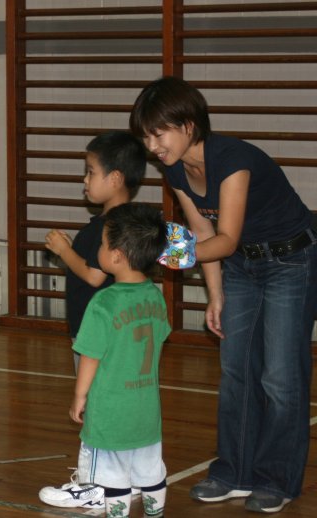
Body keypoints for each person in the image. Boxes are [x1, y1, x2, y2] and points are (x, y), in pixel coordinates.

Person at [130, 76, 317, 514]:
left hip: (291, 262)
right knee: (236, 371)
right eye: (145, 137)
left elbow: (226, 238)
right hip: (242, 267)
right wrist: (215, 295)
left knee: (280, 377)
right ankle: (234, 472)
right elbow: (202, 232)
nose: (152, 146)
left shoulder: (234, 160)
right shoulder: (176, 168)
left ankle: (277, 480)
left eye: (159, 134)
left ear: (188, 125)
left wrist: (165, 255)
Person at [39, 203, 171, 517]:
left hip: (111, 412)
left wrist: (79, 395)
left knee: (112, 479)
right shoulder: (155, 296)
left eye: (102, 243)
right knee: (151, 470)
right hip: (146, 411)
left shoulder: (104, 302)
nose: (98, 249)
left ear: (117, 256)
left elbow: (90, 356)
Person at [44, 131, 146, 373]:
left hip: (95, 331)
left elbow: (94, 276)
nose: (85, 180)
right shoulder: (125, 222)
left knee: (92, 391)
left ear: (115, 178)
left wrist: (64, 251)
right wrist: (73, 250)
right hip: (108, 328)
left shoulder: (108, 228)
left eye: (91, 172)